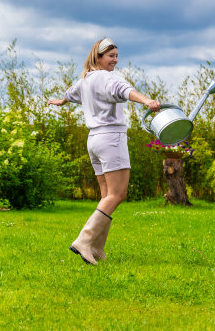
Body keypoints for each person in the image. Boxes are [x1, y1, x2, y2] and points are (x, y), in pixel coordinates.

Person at [47, 37, 160, 265]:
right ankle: (84, 241)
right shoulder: (107, 79)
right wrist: (147, 101)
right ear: (98, 57)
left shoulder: (86, 79)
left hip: (94, 140)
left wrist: (60, 101)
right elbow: (124, 90)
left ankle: (97, 248)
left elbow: (71, 94)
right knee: (118, 195)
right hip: (111, 139)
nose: (115, 61)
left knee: (106, 196)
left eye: (117, 56)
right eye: (111, 56)